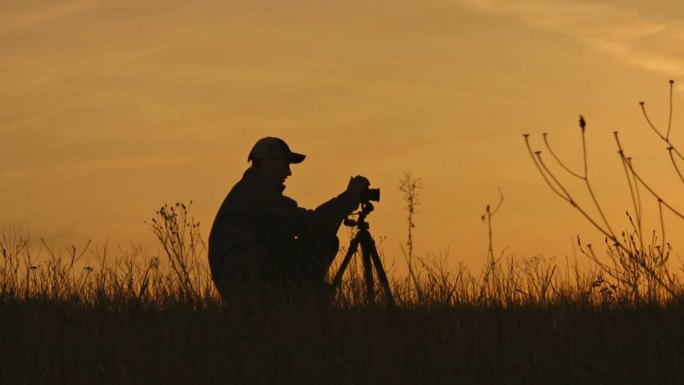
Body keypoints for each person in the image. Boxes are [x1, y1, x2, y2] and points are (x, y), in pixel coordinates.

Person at [208, 137, 370, 305]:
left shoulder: (250, 190)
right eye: (285, 164)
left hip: (246, 277)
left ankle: (304, 298)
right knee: (324, 241)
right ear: (268, 162)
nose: (288, 172)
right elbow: (307, 224)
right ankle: (304, 300)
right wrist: (348, 198)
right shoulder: (258, 194)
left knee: (322, 239)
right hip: (249, 281)